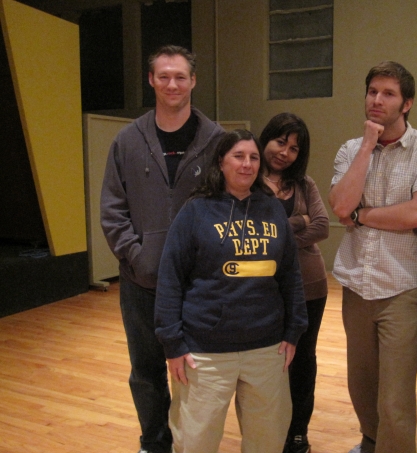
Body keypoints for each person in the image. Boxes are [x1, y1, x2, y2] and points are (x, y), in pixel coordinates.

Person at [100, 45, 225, 453]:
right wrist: (138, 257)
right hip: (142, 281)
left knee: (198, 369)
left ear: (194, 81)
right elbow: (113, 209)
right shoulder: (127, 140)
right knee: (146, 370)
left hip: (200, 283)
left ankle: (192, 442)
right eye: (164, 76)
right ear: (151, 80)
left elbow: (229, 204)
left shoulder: (217, 141)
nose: (173, 84)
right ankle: (154, 443)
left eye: (181, 76)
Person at [154, 129, 308, 453]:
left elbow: (290, 274)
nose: (247, 164)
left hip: (267, 348)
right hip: (205, 351)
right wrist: (172, 343)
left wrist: (294, 330)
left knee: (267, 442)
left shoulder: (273, 209)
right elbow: (170, 278)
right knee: (195, 443)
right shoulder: (196, 211)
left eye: (253, 157)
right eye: (238, 156)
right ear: (221, 162)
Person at [328, 61, 417, 453]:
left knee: (394, 398)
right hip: (356, 284)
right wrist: (367, 146)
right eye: (372, 91)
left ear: (406, 103)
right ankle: (371, 442)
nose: (377, 100)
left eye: (388, 94)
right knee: (361, 384)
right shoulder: (351, 149)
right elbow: (340, 206)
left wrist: (361, 215)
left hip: (402, 287)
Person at [258, 113, 330, 453]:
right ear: (266, 139)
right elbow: (251, 230)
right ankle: (271, 429)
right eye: (280, 142)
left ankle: (298, 432)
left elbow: (323, 226)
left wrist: (277, 239)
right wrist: (299, 220)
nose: (285, 153)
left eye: (294, 148)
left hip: (309, 284)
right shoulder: (248, 181)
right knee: (268, 360)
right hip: (263, 288)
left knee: (302, 359)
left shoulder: (304, 184)